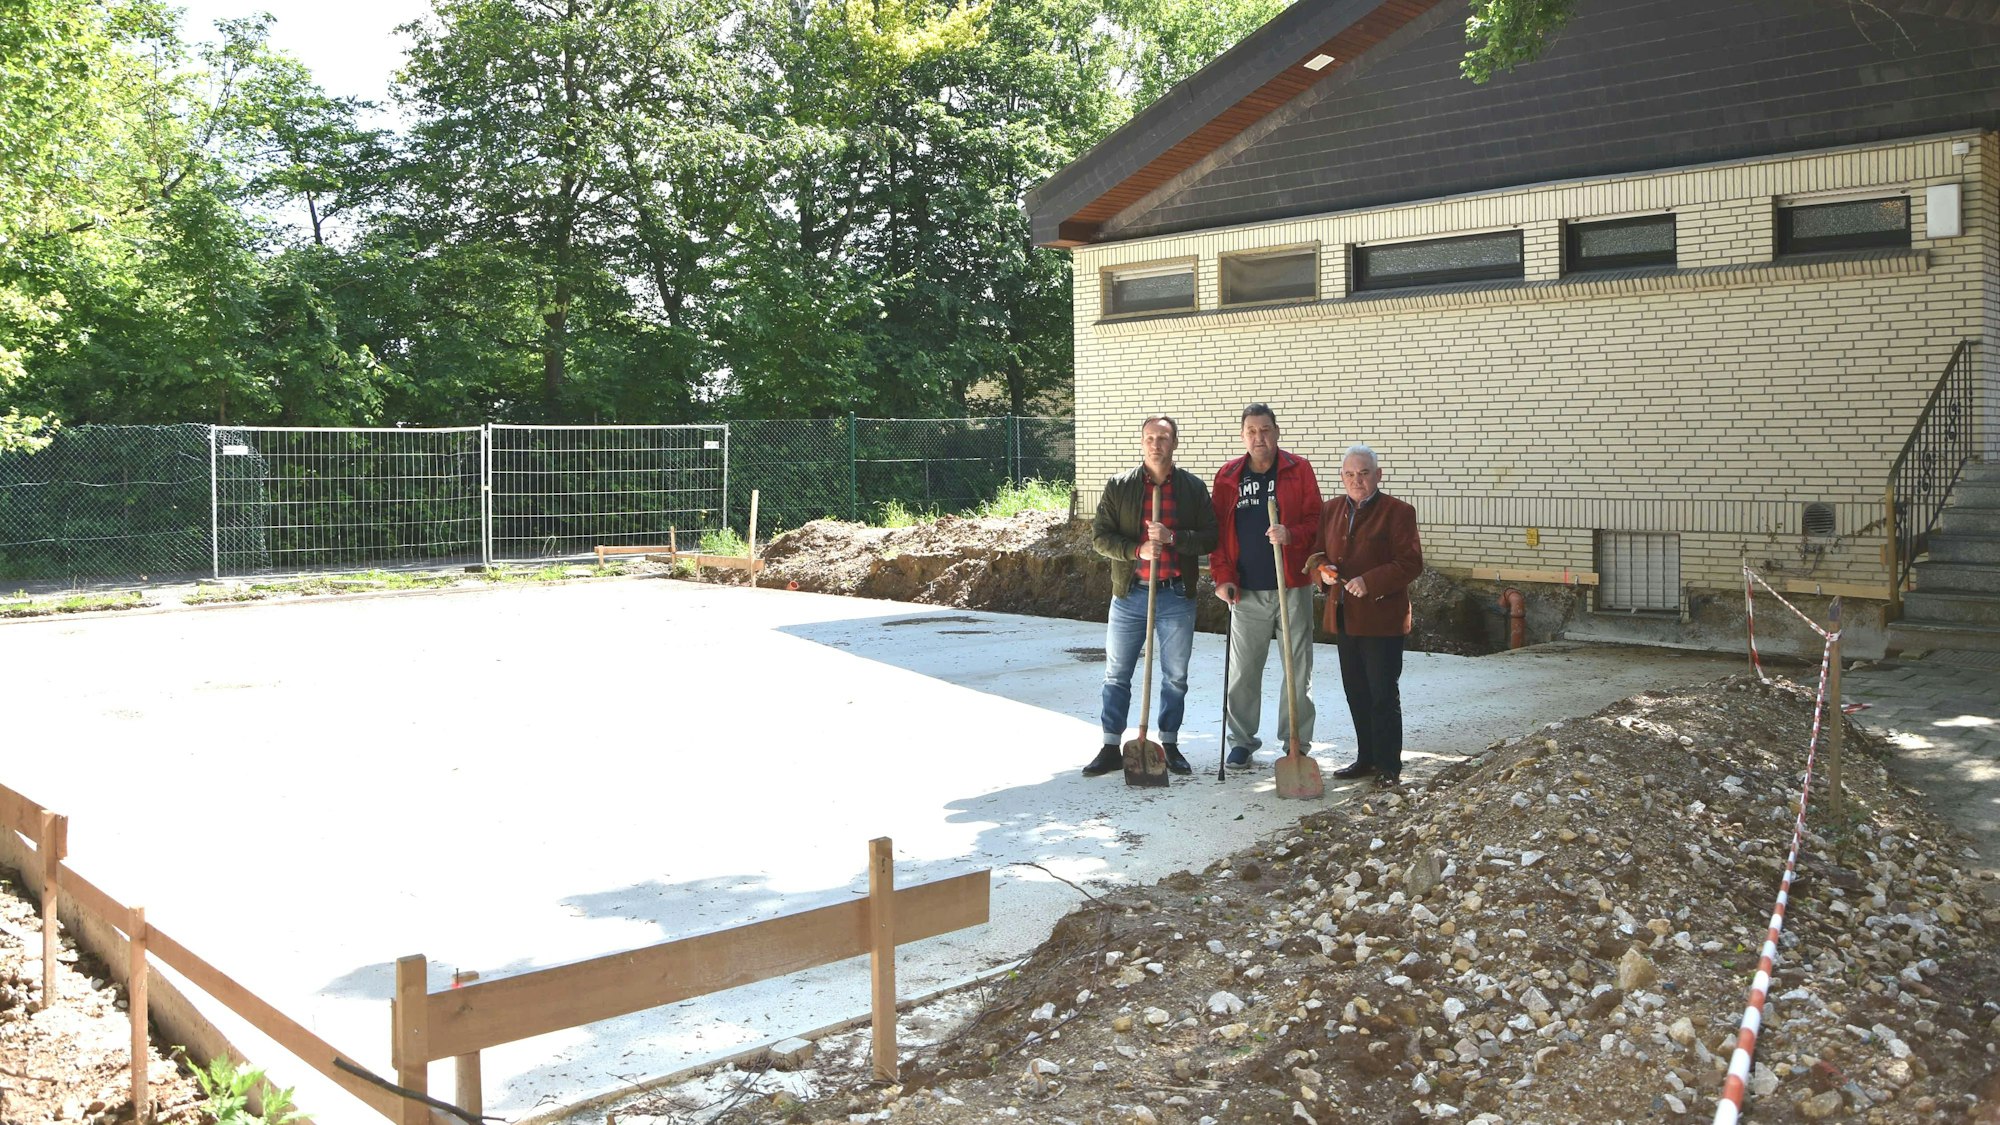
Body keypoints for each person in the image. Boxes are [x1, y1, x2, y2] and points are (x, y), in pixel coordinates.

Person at [1085, 414, 1220, 777]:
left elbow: (1210, 537)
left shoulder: (1191, 488)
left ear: (1175, 443)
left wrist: (1174, 538)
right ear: (1142, 442)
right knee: (1116, 673)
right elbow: (1100, 537)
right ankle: (1111, 745)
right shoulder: (1120, 486)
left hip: (1176, 594)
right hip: (1130, 594)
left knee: (1175, 675)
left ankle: (1170, 743)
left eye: (1163, 437)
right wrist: (1137, 550)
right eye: (1149, 438)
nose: (1156, 444)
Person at [1210, 404, 1323, 769]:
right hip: (1246, 592)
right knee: (1243, 672)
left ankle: (1296, 743)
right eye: (1252, 431)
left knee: (1297, 671)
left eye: (1265, 430)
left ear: (1277, 432)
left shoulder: (1298, 469)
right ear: (1243, 436)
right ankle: (1242, 741)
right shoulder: (1228, 476)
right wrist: (1223, 578)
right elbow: (1219, 535)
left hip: (1292, 587)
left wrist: (1292, 534)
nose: (1259, 437)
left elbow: (1316, 521)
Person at [1311, 444, 1423, 787]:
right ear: (1342, 477)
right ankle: (1366, 758)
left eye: (1363, 473)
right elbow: (1315, 554)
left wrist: (1369, 581)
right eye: (1349, 474)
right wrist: (1322, 572)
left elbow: (1410, 562)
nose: (1356, 480)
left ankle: (1389, 766)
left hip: (1382, 620)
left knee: (1382, 694)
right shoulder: (1329, 510)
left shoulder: (1398, 512)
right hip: (1345, 617)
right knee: (1356, 692)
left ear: (1378, 475)